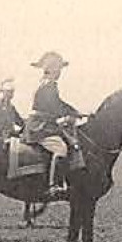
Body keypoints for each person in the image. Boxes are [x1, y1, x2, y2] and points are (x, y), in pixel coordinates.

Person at [25, 52, 81, 200]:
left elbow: (59, 103)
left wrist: (75, 112)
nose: (59, 72)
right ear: (51, 69)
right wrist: (72, 113)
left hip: (44, 124)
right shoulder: (48, 85)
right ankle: (54, 185)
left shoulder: (46, 83)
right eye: (58, 69)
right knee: (60, 148)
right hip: (40, 126)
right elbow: (55, 105)